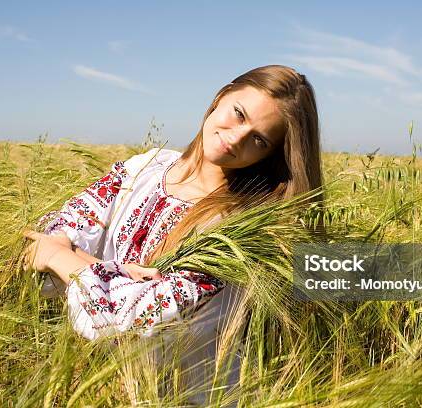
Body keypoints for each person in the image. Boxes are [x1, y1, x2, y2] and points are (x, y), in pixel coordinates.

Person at [21, 64, 323, 343]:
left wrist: (59, 257)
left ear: (268, 156)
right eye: (239, 114)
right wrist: (99, 267)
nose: (237, 137)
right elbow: (65, 224)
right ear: (222, 96)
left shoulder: (238, 227)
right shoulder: (146, 166)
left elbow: (133, 318)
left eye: (259, 140)